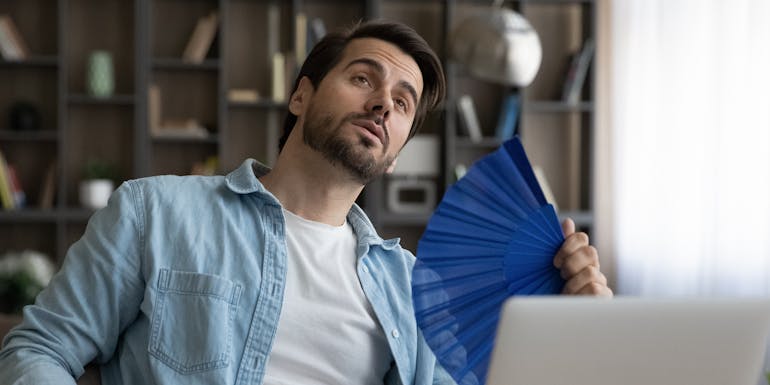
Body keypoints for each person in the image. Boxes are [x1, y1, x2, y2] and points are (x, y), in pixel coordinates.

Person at [0, 20, 612, 385]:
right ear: (300, 96)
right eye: (364, 78)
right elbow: (39, 351)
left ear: (396, 153)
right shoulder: (155, 212)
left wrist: (579, 329)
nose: (382, 104)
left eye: (402, 103)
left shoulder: (412, 290)